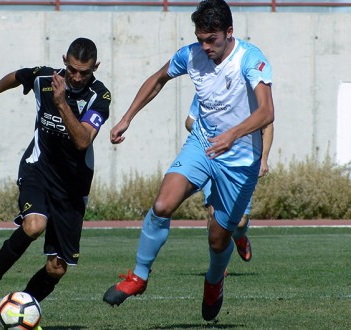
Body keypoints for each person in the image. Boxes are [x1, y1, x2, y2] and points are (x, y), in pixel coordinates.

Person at [102, 0, 274, 322]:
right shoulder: (191, 55)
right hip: (202, 145)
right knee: (163, 204)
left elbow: (267, 112)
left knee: (218, 237)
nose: (205, 46)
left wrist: (233, 135)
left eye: (212, 39)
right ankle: (138, 277)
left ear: (229, 32)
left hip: (239, 161)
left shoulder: (251, 59)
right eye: (200, 39)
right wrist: (127, 118)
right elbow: (157, 79)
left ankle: (213, 281)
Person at [0, 38, 111, 320]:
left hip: (72, 188)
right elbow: (18, 76)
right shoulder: (44, 77)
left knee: (56, 268)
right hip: (37, 169)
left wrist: (62, 103)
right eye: (72, 69)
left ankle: (21, 311)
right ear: (64, 61)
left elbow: (82, 141)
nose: (77, 77)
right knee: (34, 225)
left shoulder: (99, 97)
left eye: (85, 73)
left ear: (95, 68)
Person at [186, 94, 274, 266]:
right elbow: (189, 121)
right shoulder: (206, 90)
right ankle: (218, 264)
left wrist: (264, 159)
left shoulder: (250, 93)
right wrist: (205, 132)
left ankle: (239, 236)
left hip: (241, 163)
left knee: (240, 222)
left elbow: (268, 126)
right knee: (213, 214)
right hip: (213, 159)